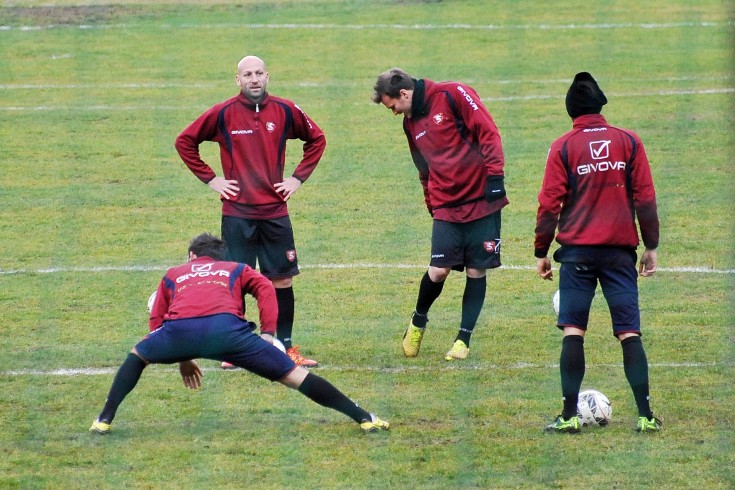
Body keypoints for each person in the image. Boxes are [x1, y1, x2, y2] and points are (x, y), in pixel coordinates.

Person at [89, 233, 389, 435]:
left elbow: (158, 321)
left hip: (180, 332)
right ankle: (363, 417)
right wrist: (269, 333)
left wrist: (180, 355)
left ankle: (103, 419)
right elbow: (266, 287)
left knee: (137, 355)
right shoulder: (235, 267)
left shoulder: (174, 273)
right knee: (295, 377)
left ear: (191, 255)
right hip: (229, 333)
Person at [175, 55, 325, 367]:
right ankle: (235, 351)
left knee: (282, 281)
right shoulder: (223, 113)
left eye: (258, 73)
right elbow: (185, 142)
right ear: (238, 80)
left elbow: (317, 139)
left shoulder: (285, 110)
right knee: (235, 279)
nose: (253, 79)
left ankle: (286, 349)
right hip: (237, 213)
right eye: (247, 75)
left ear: (267, 77)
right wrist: (212, 179)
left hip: (274, 213)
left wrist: (296, 179)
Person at [534, 72, 662, 433]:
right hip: (619, 253)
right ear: (601, 105)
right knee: (629, 332)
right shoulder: (629, 142)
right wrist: (650, 245)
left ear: (570, 110)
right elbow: (646, 198)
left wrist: (541, 251)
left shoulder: (563, 146)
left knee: (573, 330)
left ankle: (569, 416)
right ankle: (646, 416)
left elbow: (548, 204)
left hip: (576, 255)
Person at [372, 68, 509, 361]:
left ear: (404, 94)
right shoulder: (410, 124)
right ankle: (418, 321)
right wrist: (430, 200)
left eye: (393, 106)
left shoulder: (453, 94)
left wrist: (495, 177)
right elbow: (423, 168)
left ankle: (463, 339)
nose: (394, 112)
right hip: (446, 204)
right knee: (438, 270)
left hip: (482, 199)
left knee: (476, 269)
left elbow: (488, 132)